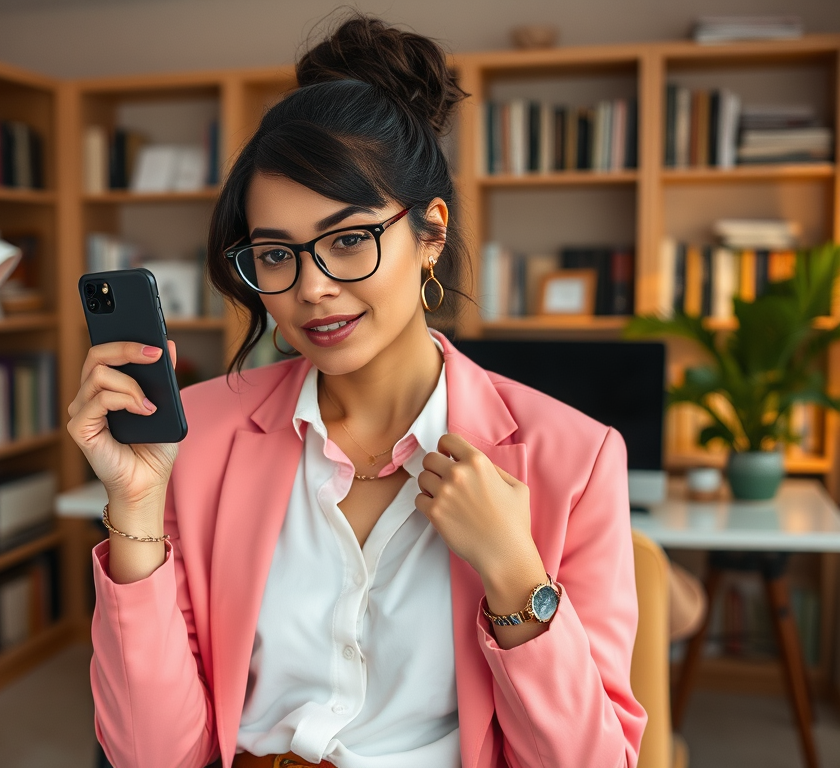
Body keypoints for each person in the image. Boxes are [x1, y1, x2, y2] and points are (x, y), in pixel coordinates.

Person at [67, 14, 647, 768]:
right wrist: (135, 510)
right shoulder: (194, 439)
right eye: (276, 254)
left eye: (347, 240)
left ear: (430, 232)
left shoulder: (576, 457)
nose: (312, 289)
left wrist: (514, 574)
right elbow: (153, 756)